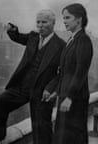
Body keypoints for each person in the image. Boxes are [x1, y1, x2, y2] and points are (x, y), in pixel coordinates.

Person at [0, 9, 65, 144]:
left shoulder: (61, 45)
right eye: (38, 22)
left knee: (41, 127)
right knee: (0, 101)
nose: (40, 25)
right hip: (23, 86)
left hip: (42, 92)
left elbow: (64, 73)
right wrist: (12, 31)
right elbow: (18, 37)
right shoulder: (33, 37)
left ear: (53, 23)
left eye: (44, 22)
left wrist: (50, 89)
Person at [44, 3, 93, 144]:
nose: (64, 21)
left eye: (68, 18)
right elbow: (65, 72)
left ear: (79, 19)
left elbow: (80, 73)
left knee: (74, 136)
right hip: (66, 95)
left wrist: (70, 98)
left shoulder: (83, 40)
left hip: (75, 98)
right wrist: (57, 92)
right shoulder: (71, 40)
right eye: (63, 18)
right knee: (63, 135)